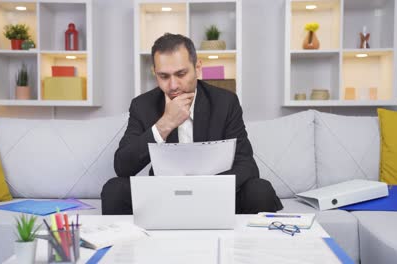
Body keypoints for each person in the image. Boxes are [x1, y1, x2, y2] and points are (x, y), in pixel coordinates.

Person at [101, 33, 282, 215]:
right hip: (164, 194)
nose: (173, 86)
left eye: (181, 74)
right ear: (154, 73)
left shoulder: (225, 102)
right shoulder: (142, 105)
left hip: (215, 193)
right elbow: (122, 166)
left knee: (260, 190)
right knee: (114, 190)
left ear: (197, 67)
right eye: (164, 76)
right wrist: (164, 124)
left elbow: (247, 165)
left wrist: (204, 189)